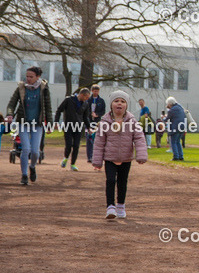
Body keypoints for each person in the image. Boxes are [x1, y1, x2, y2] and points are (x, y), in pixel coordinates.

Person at [91, 90, 147, 219]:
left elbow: (139, 138)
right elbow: (99, 143)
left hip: (126, 158)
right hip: (110, 158)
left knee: (122, 182)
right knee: (110, 180)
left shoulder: (132, 121)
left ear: (126, 105)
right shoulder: (104, 122)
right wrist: (97, 161)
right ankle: (110, 207)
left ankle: (121, 205)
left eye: (122, 101)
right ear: (111, 105)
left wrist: (141, 155)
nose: (119, 104)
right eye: (116, 101)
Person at [6, 66, 53, 186]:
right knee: (25, 149)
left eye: (31, 77)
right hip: (23, 123)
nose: (28, 79)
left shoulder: (43, 89)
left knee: (35, 151)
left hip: (38, 124)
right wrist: (10, 114)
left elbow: (48, 108)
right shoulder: (21, 88)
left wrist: (50, 124)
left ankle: (32, 167)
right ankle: (24, 175)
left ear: (38, 77)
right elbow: (11, 103)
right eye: (27, 76)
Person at [55, 87, 91, 171]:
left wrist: (89, 128)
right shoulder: (69, 100)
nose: (87, 99)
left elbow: (86, 117)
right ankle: (65, 158)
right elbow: (59, 110)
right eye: (86, 97)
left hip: (78, 127)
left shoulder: (85, 104)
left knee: (76, 146)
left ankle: (73, 164)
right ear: (82, 95)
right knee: (68, 145)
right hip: (68, 126)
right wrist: (56, 122)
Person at [85, 84, 105, 162]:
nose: (96, 92)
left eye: (97, 91)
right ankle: (89, 157)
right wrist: (90, 114)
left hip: (97, 122)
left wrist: (97, 114)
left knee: (96, 139)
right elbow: (85, 110)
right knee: (89, 138)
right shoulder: (88, 100)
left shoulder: (101, 101)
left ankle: (96, 156)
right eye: (94, 91)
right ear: (92, 91)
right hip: (89, 122)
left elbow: (103, 111)